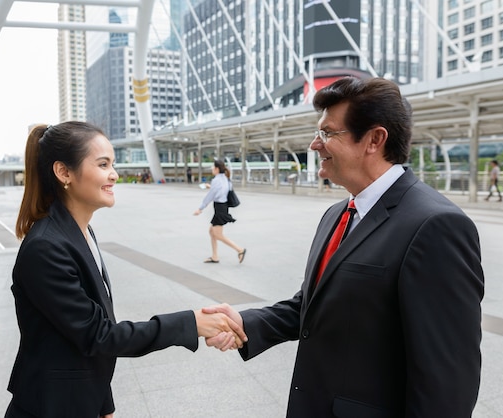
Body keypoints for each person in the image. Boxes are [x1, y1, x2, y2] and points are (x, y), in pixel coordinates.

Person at [204, 77, 484, 417]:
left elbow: (448, 382)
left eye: (327, 133)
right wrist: (245, 324)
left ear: (374, 140)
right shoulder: (338, 214)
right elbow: (312, 305)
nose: (314, 144)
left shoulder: (435, 226)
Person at [5, 122, 246, 418]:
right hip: (49, 407)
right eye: (103, 164)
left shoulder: (81, 233)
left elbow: (81, 335)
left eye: (113, 164)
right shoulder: (46, 248)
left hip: (78, 400)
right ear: (64, 172)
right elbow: (100, 335)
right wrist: (191, 324)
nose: (114, 175)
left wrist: (102, 402)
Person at [193, 159, 246, 264]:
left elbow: (210, 196)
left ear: (217, 169)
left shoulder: (216, 180)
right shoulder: (225, 178)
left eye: (213, 167)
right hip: (223, 207)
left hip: (220, 208)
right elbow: (222, 191)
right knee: (212, 232)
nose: (212, 169)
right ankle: (215, 256)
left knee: (218, 235)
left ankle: (240, 250)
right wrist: (211, 187)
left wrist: (200, 208)